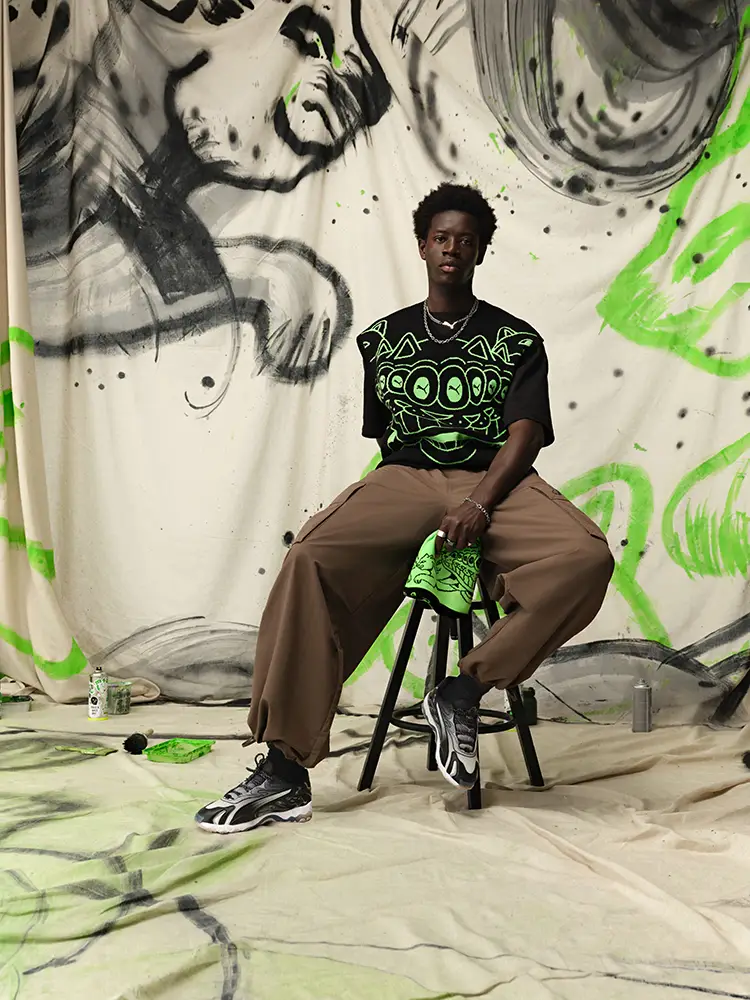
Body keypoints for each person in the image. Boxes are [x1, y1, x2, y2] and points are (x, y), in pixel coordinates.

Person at [195, 183, 615, 834]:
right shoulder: (382, 341)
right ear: (423, 246)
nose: (452, 249)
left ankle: (462, 691)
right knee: (310, 557)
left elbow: (526, 433)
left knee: (585, 557)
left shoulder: (516, 339)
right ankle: (282, 772)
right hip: (407, 476)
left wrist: (478, 502)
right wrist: (407, 520)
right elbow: (390, 442)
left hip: (496, 479)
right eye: (441, 238)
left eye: (466, 241)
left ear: (481, 252)